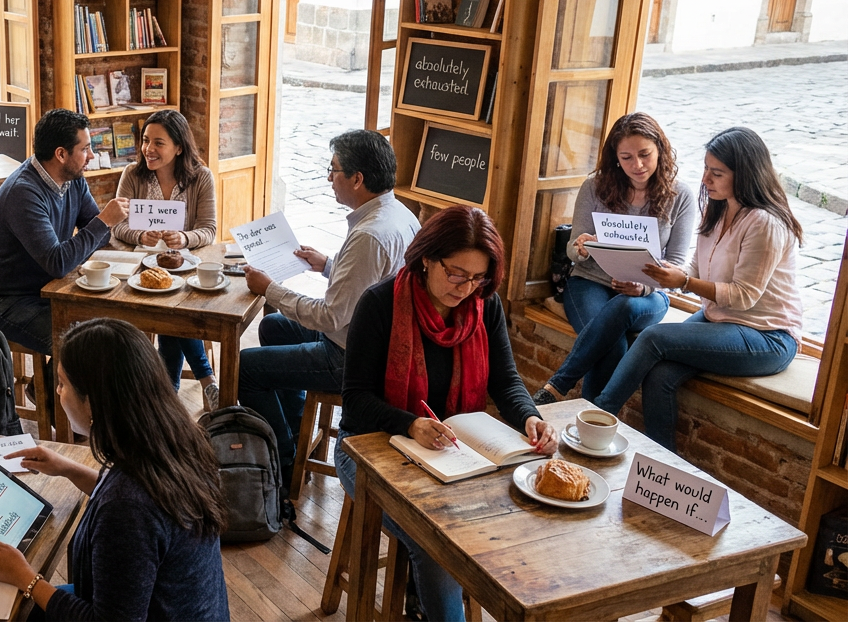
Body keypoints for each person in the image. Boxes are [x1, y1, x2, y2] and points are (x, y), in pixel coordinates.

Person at [338, 205, 557, 622]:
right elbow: (356, 400)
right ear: (426, 257)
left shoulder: (482, 306)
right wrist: (410, 424)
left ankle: (430, 603)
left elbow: (505, 381)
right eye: (456, 273)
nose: (466, 287)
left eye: (478, 278)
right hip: (369, 449)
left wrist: (529, 416)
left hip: (454, 452)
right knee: (437, 545)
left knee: (519, 517)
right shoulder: (381, 303)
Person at [0, 318, 228, 621]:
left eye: (62, 383)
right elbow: (148, 504)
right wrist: (70, 469)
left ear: (92, 403)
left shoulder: (127, 507)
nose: (58, 392)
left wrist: (25, 577)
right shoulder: (173, 441)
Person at [591, 127, 803, 451]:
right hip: (721, 319)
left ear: (745, 174)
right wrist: (666, 271)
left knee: (653, 337)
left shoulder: (764, 223)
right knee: (660, 375)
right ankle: (660, 464)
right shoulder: (718, 208)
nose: (706, 179)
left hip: (768, 336)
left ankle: (594, 418)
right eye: (706, 168)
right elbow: (696, 267)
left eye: (716, 173)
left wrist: (685, 283)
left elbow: (744, 296)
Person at [239, 129, 419, 490]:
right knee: (273, 327)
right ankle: (293, 425)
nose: (328, 177)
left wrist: (270, 289)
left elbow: (330, 316)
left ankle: (285, 457)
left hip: (352, 358)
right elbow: (367, 283)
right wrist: (325, 265)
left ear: (357, 179)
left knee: (246, 369)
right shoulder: (397, 214)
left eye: (333, 169)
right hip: (369, 340)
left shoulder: (369, 235)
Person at [532, 113, 697, 405]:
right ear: (615, 158)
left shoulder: (680, 195)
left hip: (649, 293)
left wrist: (644, 287)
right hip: (590, 281)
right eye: (627, 157)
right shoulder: (595, 186)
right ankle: (592, 428)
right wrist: (580, 249)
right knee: (612, 346)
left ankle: (557, 388)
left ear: (660, 148)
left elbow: (678, 265)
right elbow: (574, 248)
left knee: (623, 306)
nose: (638, 165)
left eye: (645, 154)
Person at [0, 109, 130, 355]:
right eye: (85, 149)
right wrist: (104, 221)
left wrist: (102, 225)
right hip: (7, 301)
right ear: (60, 154)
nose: (91, 155)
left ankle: (49, 390)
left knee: (115, 329)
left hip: (53, 288)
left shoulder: (73, 177)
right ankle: (50, 393)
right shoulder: (23, 193)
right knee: (81, 344)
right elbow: (58, 262)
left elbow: (98, 235)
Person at [110, 110, 220, 408]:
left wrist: (184, 238)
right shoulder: (132, 175)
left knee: (174, 311)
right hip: (139, 269)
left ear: (179, 147)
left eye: (159, 143)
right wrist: (139, 235)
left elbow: (209, 230)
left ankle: (167, 396)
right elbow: (117, 225)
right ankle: (204, 382)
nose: (148, 149)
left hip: (184, 268)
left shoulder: (201, 177)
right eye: (145, 141)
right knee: (173, 313)